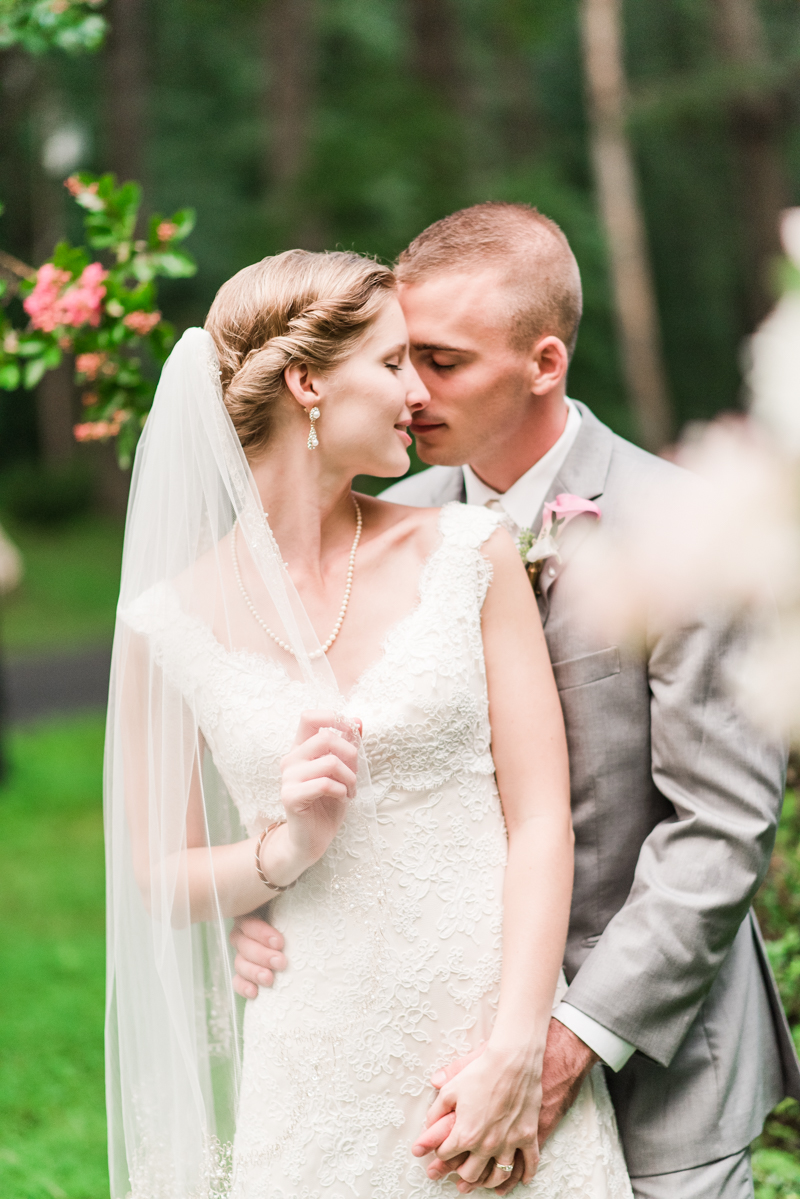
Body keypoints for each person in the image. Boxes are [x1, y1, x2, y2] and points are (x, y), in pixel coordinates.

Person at [231, 204, 800, 1199]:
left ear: (542, 362)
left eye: (441, 362)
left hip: (654, 1065)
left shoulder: (680, 533)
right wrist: (271, 897)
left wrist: (559, 1048)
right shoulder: (386, 520)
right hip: (433, 1046)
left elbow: (717, 826)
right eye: (399, 357)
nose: (408, 392)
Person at [105, 247, 633, 1199]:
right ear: (308, 382)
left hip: (486, 1035)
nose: (416, 395)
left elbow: (543, 818)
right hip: (316, 1058)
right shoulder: (164, 624)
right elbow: (158, 875)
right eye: (392, 364)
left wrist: (518, 1050)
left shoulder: (472, 551)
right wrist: (283, 851)